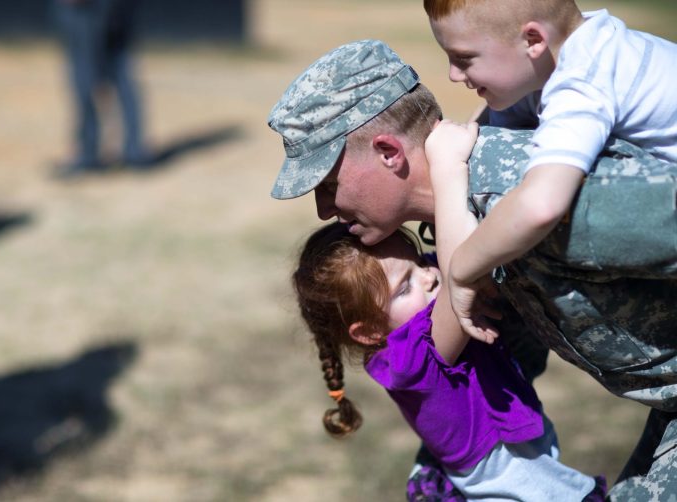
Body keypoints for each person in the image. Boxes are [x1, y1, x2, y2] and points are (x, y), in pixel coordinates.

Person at [267, 39, 677, 500]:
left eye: (327, 184)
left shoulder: (524, 194)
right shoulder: (444, 232)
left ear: (388, 151)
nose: (323, 210)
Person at [292, 121, 606, 498]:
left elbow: (445, 255)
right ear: (369, 331)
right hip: (505, 474)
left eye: (419, 264)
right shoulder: (406, 359)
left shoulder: (409, 307)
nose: (429, 276)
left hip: (515, 447)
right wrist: (447, 166)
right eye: (406, 285)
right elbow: (462, 266)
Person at [422, 0, 677, 340]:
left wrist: (461, 269)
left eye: (464, 58)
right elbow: (484, 140)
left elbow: (540, 205)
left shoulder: (582, 81)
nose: (453, 74)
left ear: (533, 40)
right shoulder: (564, 56)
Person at [53, 0, 153, 177]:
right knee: (120, 69)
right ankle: (134, 152)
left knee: (86, 73)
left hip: (86, 7)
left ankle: (88, 153)